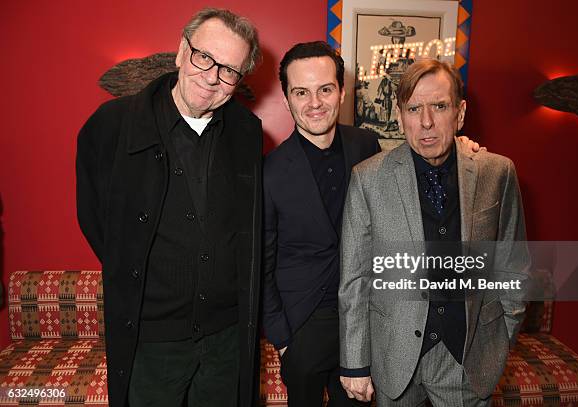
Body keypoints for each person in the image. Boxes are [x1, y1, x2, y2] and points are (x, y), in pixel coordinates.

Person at [262, 43, 483, 406]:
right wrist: (284, 339)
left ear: (342, 91)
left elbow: (415, 167)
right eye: (301, 92)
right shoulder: (269, 170)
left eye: (325, 89)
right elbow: (263, 263)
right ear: (287, 99)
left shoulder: (365, 143)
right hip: (305, 324)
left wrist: (458, 145)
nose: (314, 102)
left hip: (367, 318)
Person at [76, 8, 262, 407]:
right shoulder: (113, 124)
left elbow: (251, 227)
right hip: (151, 340)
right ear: (182, 51)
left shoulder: (248, 132)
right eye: (204, 57)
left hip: (226, 339)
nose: (212, 77)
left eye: (229, 70)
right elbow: (94, 217)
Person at [338, 59, 530, 406]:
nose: (426, 121)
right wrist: (355, 363)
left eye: (439, 106)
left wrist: (503, 335)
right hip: (394, 357)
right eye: (414, 108)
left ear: (459, 113)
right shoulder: (367, 178)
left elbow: (512, 264)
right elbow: (355, 279)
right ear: (400, 115)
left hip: (469, 358)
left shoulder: (497, 172)